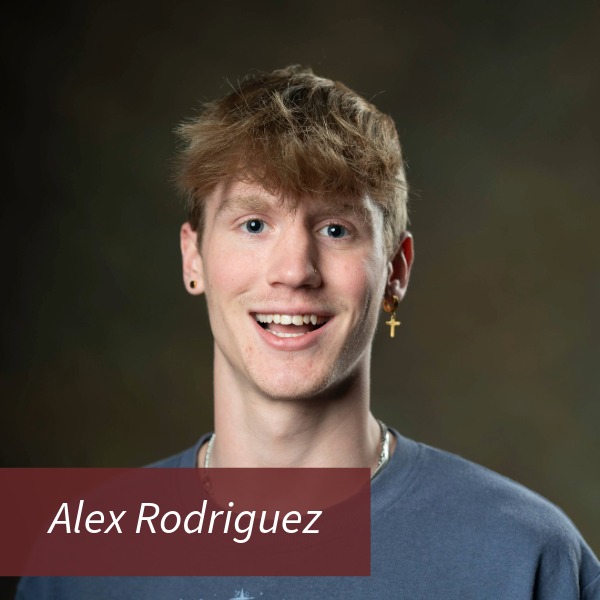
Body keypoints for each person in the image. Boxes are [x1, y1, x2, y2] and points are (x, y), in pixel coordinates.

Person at [17, 65, 599, 599]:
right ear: (193, 260)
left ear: (395, 271)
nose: (295, 270)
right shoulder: (78, 556)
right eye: (253, 223)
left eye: (337, 229)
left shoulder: (523, 558)